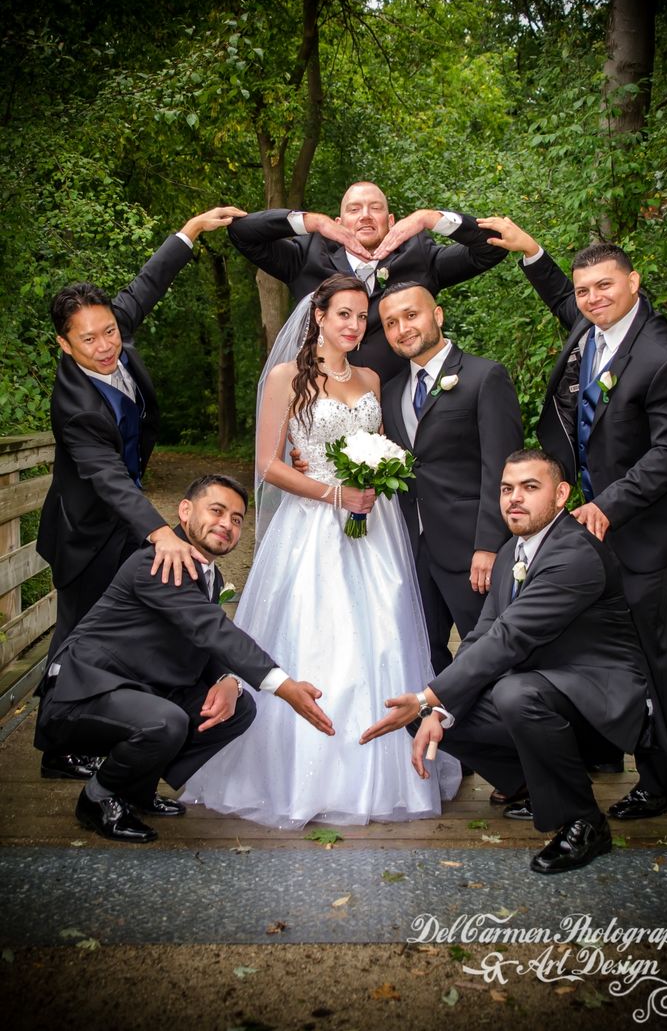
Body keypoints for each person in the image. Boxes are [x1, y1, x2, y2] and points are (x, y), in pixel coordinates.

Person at [181, 274, 461, 827]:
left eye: (362, 317)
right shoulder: (287, 377)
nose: (355, 327)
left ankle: (380, 772)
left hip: (372, 523)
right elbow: (267, 463)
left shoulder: (372, 377)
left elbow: (378, 446)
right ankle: (298, 770)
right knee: (315, 632)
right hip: (311, 524)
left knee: (381, 634)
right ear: (319, 316)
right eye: (344, 316)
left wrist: (378, 481)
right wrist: (335, 493)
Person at [478, 218, 667, 820]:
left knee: (646, 656)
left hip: (642, 530)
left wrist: (607, 505)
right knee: (586, 638)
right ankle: (602, 747)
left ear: (633, 282)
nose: (592, 298)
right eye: (585, 290)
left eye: (605, 286)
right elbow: (559, 294)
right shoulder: (589, 324)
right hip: (587, 521)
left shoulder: (664, 357)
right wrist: (532, 251)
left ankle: (663, 781)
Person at [360, 450, 649, 874]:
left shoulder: (575, 555)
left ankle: (584, 822)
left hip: (599, 697)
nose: (515, 498)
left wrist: (429, 696)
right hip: (546, 682)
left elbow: (510, 638)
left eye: (531, 488)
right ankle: (531, 785)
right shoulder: (513, 548)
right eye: (507, 489)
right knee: (429, 712)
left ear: (561, 494)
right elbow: (483, 632)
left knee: (510, 693)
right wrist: (436, 705)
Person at [36, 207, 244, 781]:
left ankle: (129, 717)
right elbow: (104, 476)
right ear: (64, 345)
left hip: (123, 518)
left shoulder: (114, 330)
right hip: (83, 528)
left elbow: (145, 285)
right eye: (89, 340)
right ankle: (56, 743)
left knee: (129, 622)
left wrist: (191, 232)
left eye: (110, 332)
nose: (105, 346)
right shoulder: (73, 407)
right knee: (77, 634)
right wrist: (160, 532)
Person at [34, 475, 334, 844]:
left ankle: (136, 789)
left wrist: (228, 680)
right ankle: (99, 796)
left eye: (237, 519)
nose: (227, 524)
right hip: (81, 693)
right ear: (185, 510)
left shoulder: (209, 572)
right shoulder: (157, 562)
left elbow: (203, 641)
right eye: (217, 510)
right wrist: (284, 686)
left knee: (238, 709)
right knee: (166, 722)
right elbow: (212, 629)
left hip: (138, 691)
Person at [378, 282, 523, 680]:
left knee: (491, 655)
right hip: (411, 549)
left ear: (437, 315)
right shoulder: (391, 393)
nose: (402, 328)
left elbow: (504, 470)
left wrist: (490, 545)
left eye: (411, 315)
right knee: (424, 658)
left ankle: (501, 739)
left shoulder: (484, 376)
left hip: (471, 551)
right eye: (390, 323)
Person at [227, 182, 507, 381]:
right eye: (354, 209)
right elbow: (241, 233)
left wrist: (429, 219)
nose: (365, 215)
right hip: (320, 402)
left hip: (398, 413)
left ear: (391, 220)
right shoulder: (306, 256)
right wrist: (313, 222)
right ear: (339, 220)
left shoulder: (419, 257)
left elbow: (493, 247)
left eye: (375, 208)